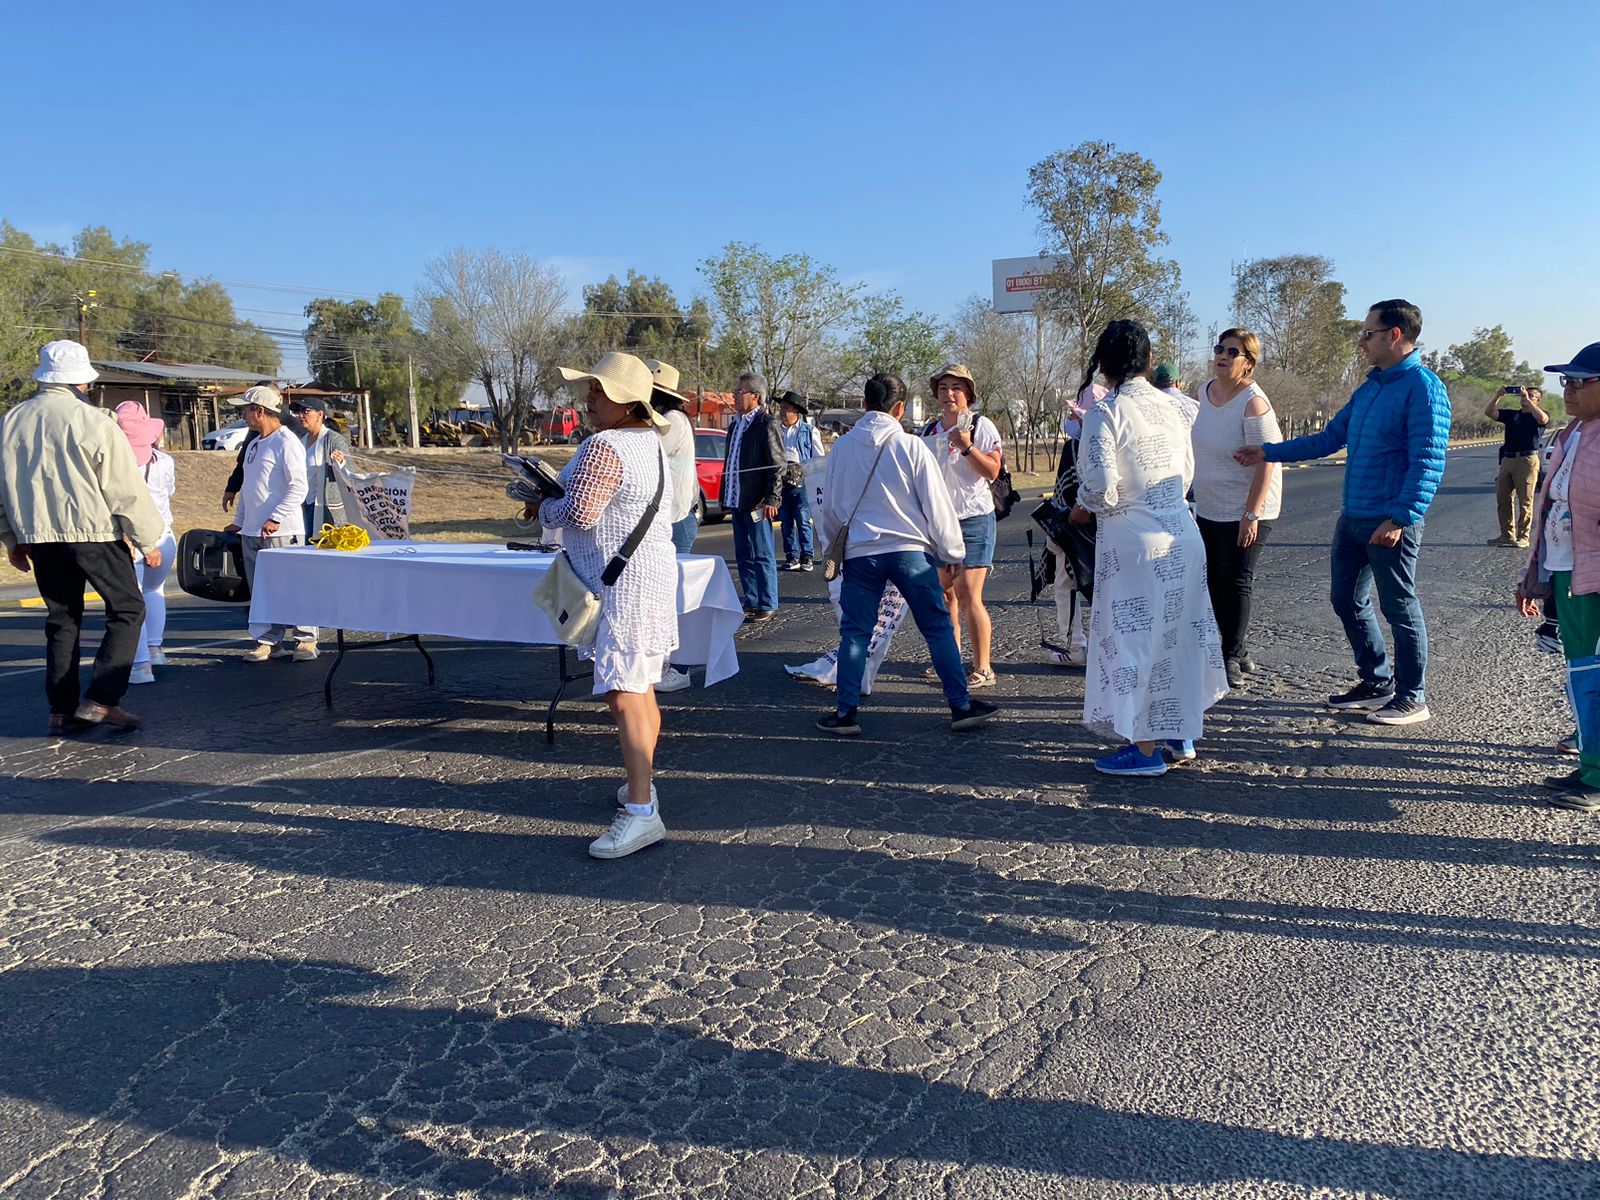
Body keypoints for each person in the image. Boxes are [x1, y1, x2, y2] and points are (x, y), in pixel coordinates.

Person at [1236, 299, 1450, 727]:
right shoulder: (1371, 387)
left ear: (1394, 335)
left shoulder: (1424, 388)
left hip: (1388, 522)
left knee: (1400, 607)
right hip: (1353, 517)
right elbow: (1331, 437)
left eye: (1368, 333)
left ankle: (1412, 697)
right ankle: (1376, 682)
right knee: (1345, 600)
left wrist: (1402, 517)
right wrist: (1269, 452)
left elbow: (1427, 460)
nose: (1362, 341)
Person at [538, 352, 678, 858]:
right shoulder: (648, 442)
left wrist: (543, 505)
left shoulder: (604, 445)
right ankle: (642, 788)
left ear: (624, 400)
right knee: (637, 690)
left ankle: (642, 809)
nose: (589, 398)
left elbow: (579, 511)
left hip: (622, 585)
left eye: (597, 391)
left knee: (624, 694)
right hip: (644, 578)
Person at [1073, 321, 1228, 776]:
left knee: (1135, 641)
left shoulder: (1106, 412)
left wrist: (1082, 504)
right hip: (1182, 534)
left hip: (1134, 544)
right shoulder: (1179, 408)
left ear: (1103, 364)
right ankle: (1179, 733)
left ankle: (1143, 751)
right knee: (1176, 637)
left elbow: (1101, 489)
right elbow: (1184, 470)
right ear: (1146, 361)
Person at [814, 373, 1000, 737]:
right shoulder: (912, 446)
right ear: (899, 408)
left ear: (865, 403)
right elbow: (937, 506)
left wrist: (836, 546)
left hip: (860, 554)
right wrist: (952, 551)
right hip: (909, 553)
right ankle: (960, 705)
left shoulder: (842, 448)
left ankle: (846, 712)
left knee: (855, 633)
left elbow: (832, 509)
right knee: (937, 628)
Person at [0, 341, 164, 735]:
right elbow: (123, 487)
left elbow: (2, 487)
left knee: (62, 618)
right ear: (81, 382)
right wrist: (148, 538)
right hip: (93, 531)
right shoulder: (93, 421)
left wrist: (11, 538)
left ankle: (61, 709)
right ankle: (103, 699)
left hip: (38, 534)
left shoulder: (11, 420)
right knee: (127, 609)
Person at [1518, 341, 1600, 810]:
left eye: (1580, 381)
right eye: (1565, 381)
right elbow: (1550, 506)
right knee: (1582, 672)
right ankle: (1592, 766)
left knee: (1592, 673)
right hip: (1568, 570)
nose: (1568, 390)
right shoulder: (1572, 433)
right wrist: (1535, 575)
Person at [1192, 328, 1283, 687]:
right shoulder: (1204, 391)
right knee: (1215, 578)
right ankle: (1238, 649)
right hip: (1211, 503)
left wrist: (1251, 514)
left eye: (1234, 352)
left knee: (1237, 580)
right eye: (1220, 348)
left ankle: (1229, 656)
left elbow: (1268, 461)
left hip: (1250, 506)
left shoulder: (1253, 403)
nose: (1223, 356)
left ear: (1249, 363)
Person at [923, 363, 1003, 688]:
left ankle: (984, 667)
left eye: (956, 387)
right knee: (945, 596)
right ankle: (950, 661)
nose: (949, 393)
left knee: (968, 593)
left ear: (968, 393)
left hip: (975, 518)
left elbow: (993, 471)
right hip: (941, 521)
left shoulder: (982, 426)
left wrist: (967, 445)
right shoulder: (929, 432)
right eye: (943, 388)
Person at [223, 386, 315, 662]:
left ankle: (306, 639)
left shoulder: (287, 442)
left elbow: (299, 487)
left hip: (283, 531)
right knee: (262, 590)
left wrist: (276, 517)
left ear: (260, 411)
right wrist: (239, 521)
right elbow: (251, 488)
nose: (244, 414)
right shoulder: (253, 444)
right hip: (252, 532)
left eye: (246, 409)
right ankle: (269, 641)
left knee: (293, 586)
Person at [114, 403, 178, 687]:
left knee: (131, 601)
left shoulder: (115, 465)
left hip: (131, 541)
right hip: (164, 536)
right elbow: (170, 490)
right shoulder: (164, 462)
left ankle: (140, 664)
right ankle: (155, 649)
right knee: (154, 590)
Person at [645, 359, 698, 695]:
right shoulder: (665, 420)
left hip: (676, 518)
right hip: (670, 517)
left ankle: (680, 667)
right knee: (664, 596)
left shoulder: (673, 421)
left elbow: (649, 450)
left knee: (674, 598)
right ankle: (665, 662)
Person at [1044, 381, 1105, 667]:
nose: (1070, 419)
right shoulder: (1109, 442)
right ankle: (1107, 646)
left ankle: (1076, 646)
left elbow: (1064, 492)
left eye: (1075, 414)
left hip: (1074, 530)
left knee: (1065, 585)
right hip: (1108, 529)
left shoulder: (1075, 447)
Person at [720, 372, 783, 619]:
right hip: (737, 500)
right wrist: (726, 494)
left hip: (757, 501)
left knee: (762, 553)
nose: (735, 395)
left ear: (755, 396)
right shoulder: (735, 424)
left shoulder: (766, 424)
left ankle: (768, 603)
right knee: (743, 553)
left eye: (739, 392)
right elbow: (731, 462)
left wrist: (772, 497)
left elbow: (777, 465)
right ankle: (752, 599)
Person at [1483, 385, 1550, 547]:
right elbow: (1490, 413)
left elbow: (1543, 420)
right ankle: (1506, 535)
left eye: (1531, 396)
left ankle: (1523, 537)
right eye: (1522, 396)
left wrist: (1529, 401)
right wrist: (1498, 396)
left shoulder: (1539, 415)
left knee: (1525, 500)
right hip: (1508, 459)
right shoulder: (1513, 414)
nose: (1524, 398)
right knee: (1503, 498)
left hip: (1527, 459)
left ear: (1538, 400)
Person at [777, 390, 826, 571]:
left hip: (802, 482)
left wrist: (809, 474)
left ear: (796, 411)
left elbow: (818, 459)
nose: (782, 412)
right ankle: (791, 556)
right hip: (781, 482)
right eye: (781, 408)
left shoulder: (809, 431)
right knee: (786, 521)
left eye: (786, 409)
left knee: (803, 519)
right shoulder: (775, 430)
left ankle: (807, 556)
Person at [290, 397, 349, 539]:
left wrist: (341, 463)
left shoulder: (333, 439)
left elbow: (350, 472)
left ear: (320, 414)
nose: (301, 415)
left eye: (306, 411)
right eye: (299, 411)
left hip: (324, 508)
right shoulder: (300, 441)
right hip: (303, 505)